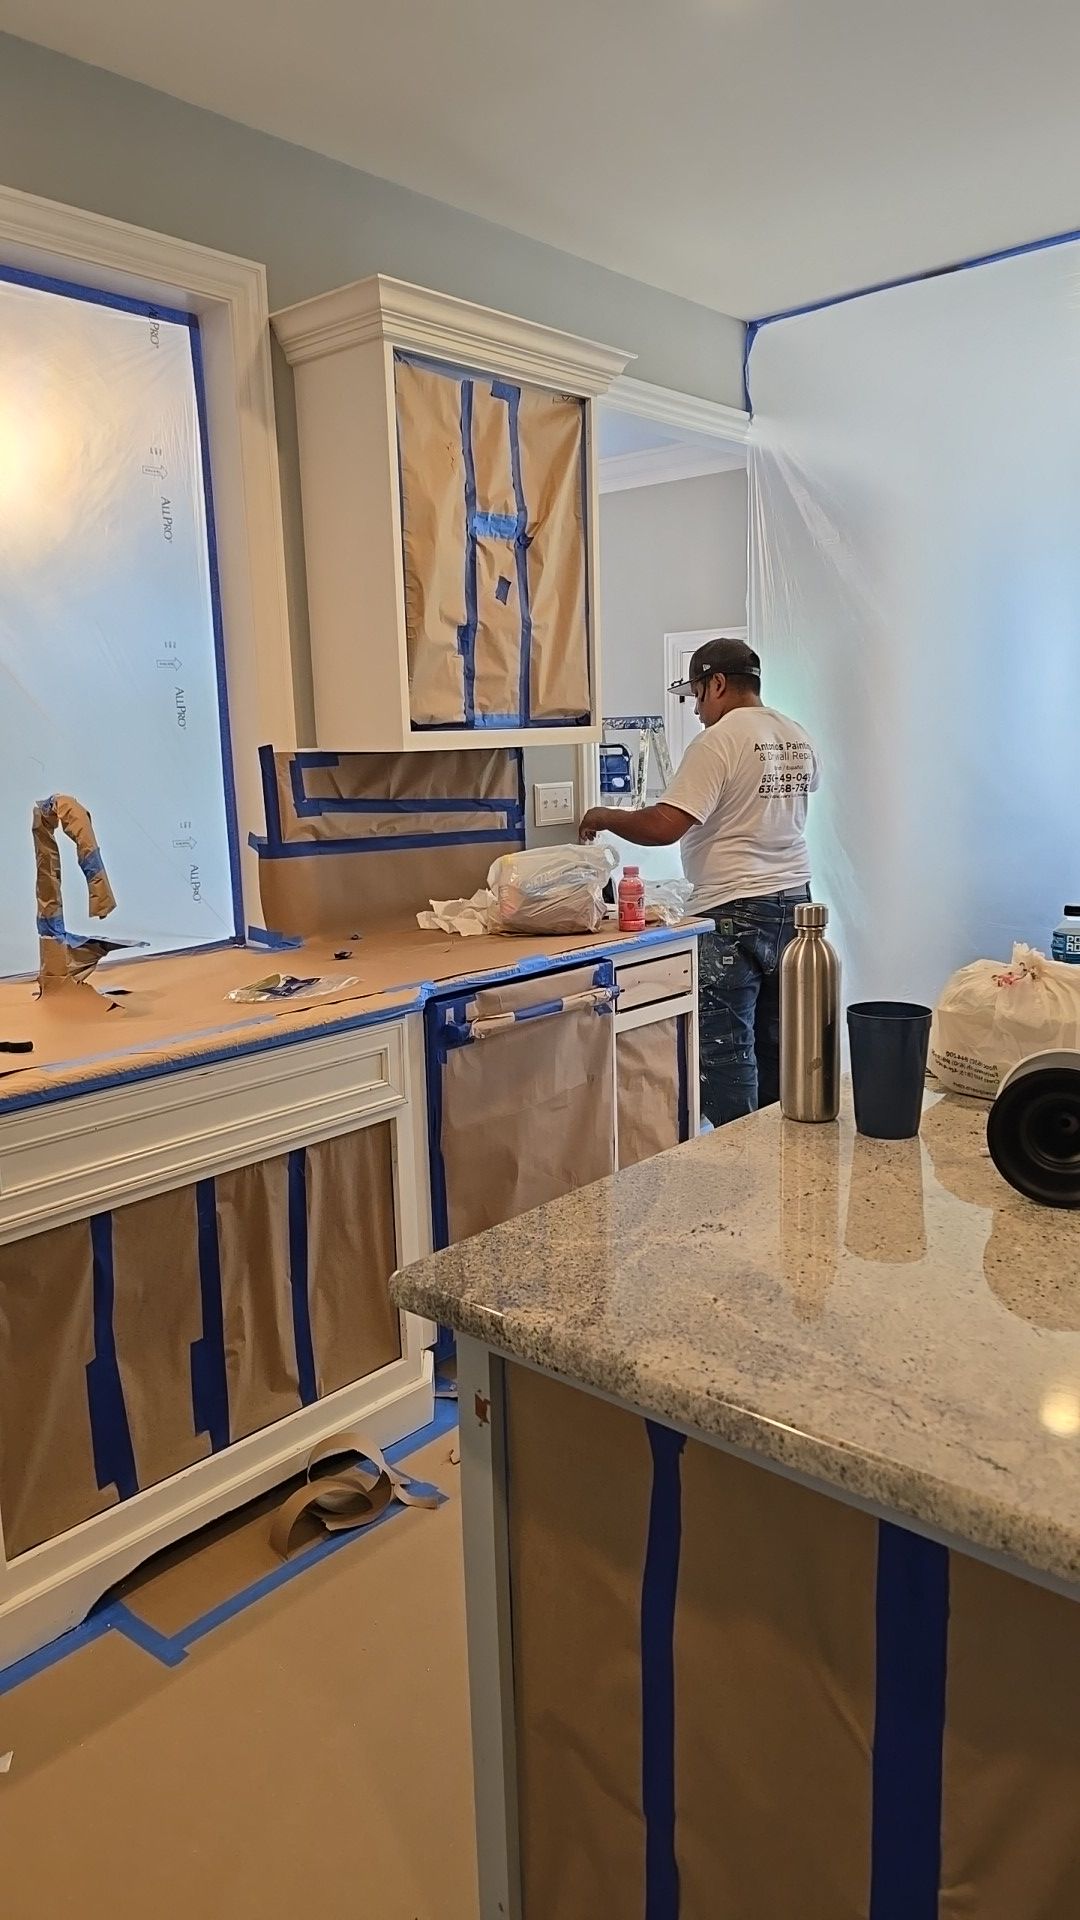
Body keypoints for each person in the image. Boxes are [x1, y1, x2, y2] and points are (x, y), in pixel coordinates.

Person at [579, 638, 821, 1127]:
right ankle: (784, 1160)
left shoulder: (720, 739)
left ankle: (744, 1172)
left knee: (726, 1053)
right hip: (796, 907)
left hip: (734, 911)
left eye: (696, 695)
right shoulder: (795, 734)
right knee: (780, 1045)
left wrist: (604, 815)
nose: (696, 710)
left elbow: (665, 824)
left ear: (717, 683)